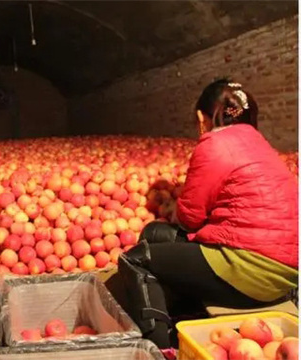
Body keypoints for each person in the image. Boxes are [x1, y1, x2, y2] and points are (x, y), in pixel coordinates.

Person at [111, 78, 298, 349]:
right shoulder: (260, 143)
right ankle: (178, 315)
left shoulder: (213, 143)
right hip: (287, 270)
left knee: (137, 259)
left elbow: (189, 219)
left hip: (250, 268)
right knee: (154, 234)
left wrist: (177, 206)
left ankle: (159, 349)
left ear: (202, 118)